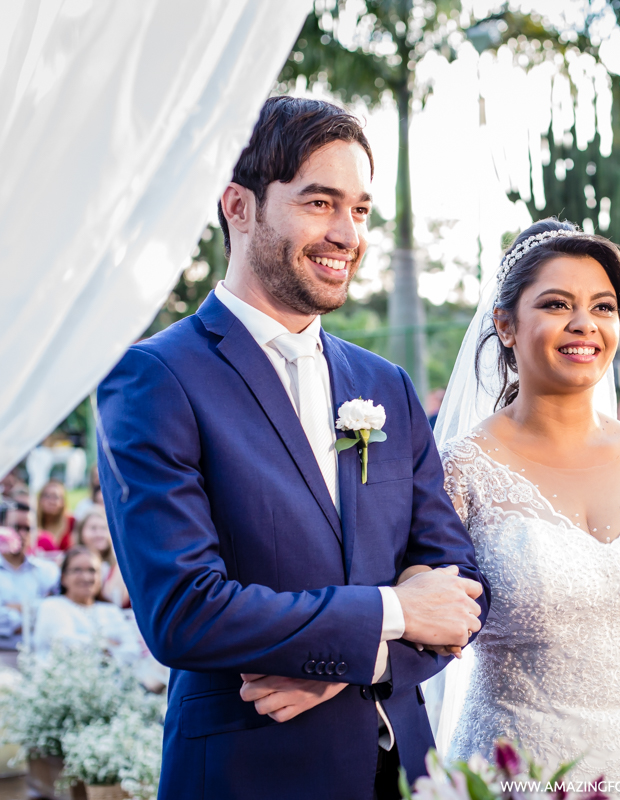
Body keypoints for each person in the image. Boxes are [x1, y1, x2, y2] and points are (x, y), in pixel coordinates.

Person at [96, 96, 488, 800]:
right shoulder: (154, 379)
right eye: (319, 202)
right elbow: (185, 609)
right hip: (251, 775)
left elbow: (458, 589)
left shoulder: (386, 386)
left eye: (361, 210)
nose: (347, 234)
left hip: (403, 774)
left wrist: (347, 659)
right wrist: (391, 613)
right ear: (238, 206)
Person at [434, 218, 620, 799]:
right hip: (517, 773)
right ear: (505, 325)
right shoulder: (460, 471)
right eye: (556, 304)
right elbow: (419, 623)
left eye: (603, 307)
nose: (584, 324)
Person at [31, 547, 141, 662]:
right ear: (63, 577)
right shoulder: (52, 606)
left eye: (92, 570)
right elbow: (65, 644)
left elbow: (133, 651)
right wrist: (108, 644)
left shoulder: (111, 610)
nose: (86, 577)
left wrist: (98, 649)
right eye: (77, 570)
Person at [0, 502, 58, 650]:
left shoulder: (48, 571)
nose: (23, 534)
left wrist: (16, 609)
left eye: (28, 528)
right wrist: (36, 610)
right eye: (16, 527)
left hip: (40, 656)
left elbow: (58, 613)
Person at [76, 509, 127, 607]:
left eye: (104, 528)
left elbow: (116, 600)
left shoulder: (117, 566)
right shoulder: (71, 564)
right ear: (81, 533)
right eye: (93, 528)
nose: (99, 534)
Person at [33, 478, 73, 553]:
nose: (51, 501)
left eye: (56, 497)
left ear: (63, 501)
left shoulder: (72, 522)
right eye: (47, 496)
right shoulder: (32, 522)